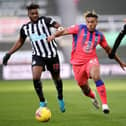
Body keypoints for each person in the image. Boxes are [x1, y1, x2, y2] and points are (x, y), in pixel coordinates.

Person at [47, 11, 126, 114]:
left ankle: (105, 105)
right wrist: (54, 35)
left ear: (96, 22)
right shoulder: (79, 28)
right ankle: (93, 96)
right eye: (88, 22)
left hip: (91, 61)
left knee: (96, 76)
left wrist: (120, 62)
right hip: (77, 65)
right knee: (85, 89)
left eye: (92, 22)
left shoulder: (100, 36)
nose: (90, 24)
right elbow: (64, 31)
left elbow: (109, 50)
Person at [2, 3, 65, 112]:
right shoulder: (25, 28)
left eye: (36, 13)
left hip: (52, 55)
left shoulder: (45, 20)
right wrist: (9, 54)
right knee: (36, 77)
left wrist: (58, 31)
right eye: (32, 13)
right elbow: (20, 42)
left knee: (56, 78)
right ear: (28, 14)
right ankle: (42, 101)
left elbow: (59, 26)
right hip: (38, 55)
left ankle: (60, 97)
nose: (35, 15)